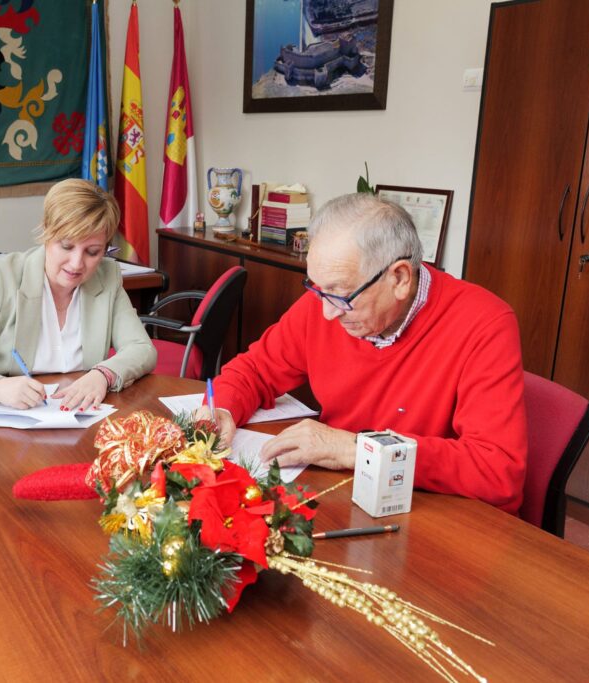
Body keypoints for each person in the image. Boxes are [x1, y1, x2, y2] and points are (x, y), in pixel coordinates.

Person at [197, 193, 528, 513]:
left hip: (427, 513)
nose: (327, 313)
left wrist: (357, 449)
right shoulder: (327, 299)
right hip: (343, 495)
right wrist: (223, 407)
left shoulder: (485, 324)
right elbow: (256, 368)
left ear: (399, 278)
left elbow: (497, 470)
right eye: (315, 287)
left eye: (341, 296)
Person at [0, 178, 156, 410]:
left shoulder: (107, 277)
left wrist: (103, 375)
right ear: (47, 231)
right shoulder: (1, 276)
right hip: (9, 417)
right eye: (66, 246)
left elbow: (142, 349)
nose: (77, 263)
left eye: (93, 252)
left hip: (82, 415)